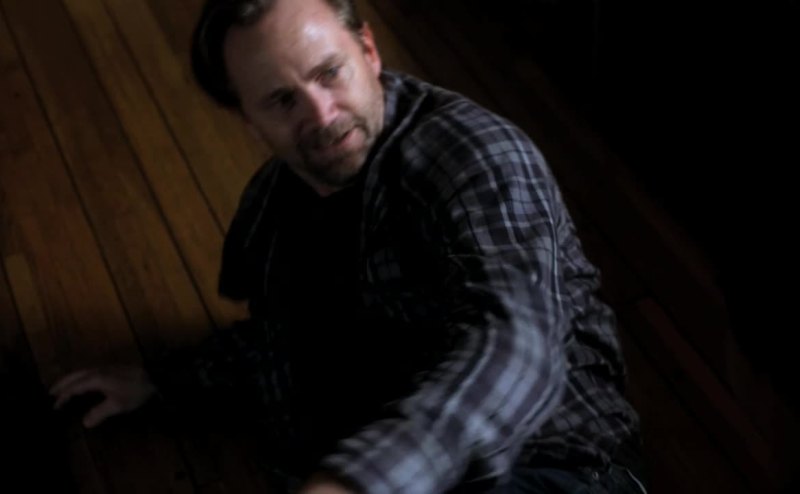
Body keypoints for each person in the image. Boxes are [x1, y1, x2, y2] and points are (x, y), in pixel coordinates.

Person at [50, 0, 647, 492]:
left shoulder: (477, 154)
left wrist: (357, 483)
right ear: (249, 121)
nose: (321, 114)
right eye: (281, 100)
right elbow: (287, 344)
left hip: (549, 466)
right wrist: (160, 380)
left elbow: (516, 342)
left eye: (329, 73)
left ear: (368, 51)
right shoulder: (275, 210)